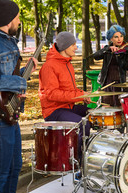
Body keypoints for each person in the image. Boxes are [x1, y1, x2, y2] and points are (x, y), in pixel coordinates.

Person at [0, 1, 37, 193]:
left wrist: (24, 72)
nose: (19, 22)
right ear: (8, 18)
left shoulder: (8, 40)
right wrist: (18, 82)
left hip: (10, 115)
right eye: (18, 17)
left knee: (14, 167)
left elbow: (7, 74)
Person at [39, 31, 91, 173]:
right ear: (65, 47)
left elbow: (68, 90)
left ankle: (92, 154)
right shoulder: (49, 66)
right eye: (73, 44)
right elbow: (52, 94)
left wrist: (82, 95)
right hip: (53, 111)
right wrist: (79, 96)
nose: (76, 47)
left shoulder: (67, 63)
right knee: (82, 123)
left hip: (68, 107)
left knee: (92, 113)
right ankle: (77, 163)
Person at [93, 24, 128, 107]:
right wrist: (107, 49)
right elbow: (96, 56)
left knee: (121, 107)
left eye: (121, 36)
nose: (119, 39)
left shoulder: (126, 51)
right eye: (116, 37)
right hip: (107, 83)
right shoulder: (107, 50)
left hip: (121, 82)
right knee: (107, 106)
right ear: (111, 38)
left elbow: (127, 67)